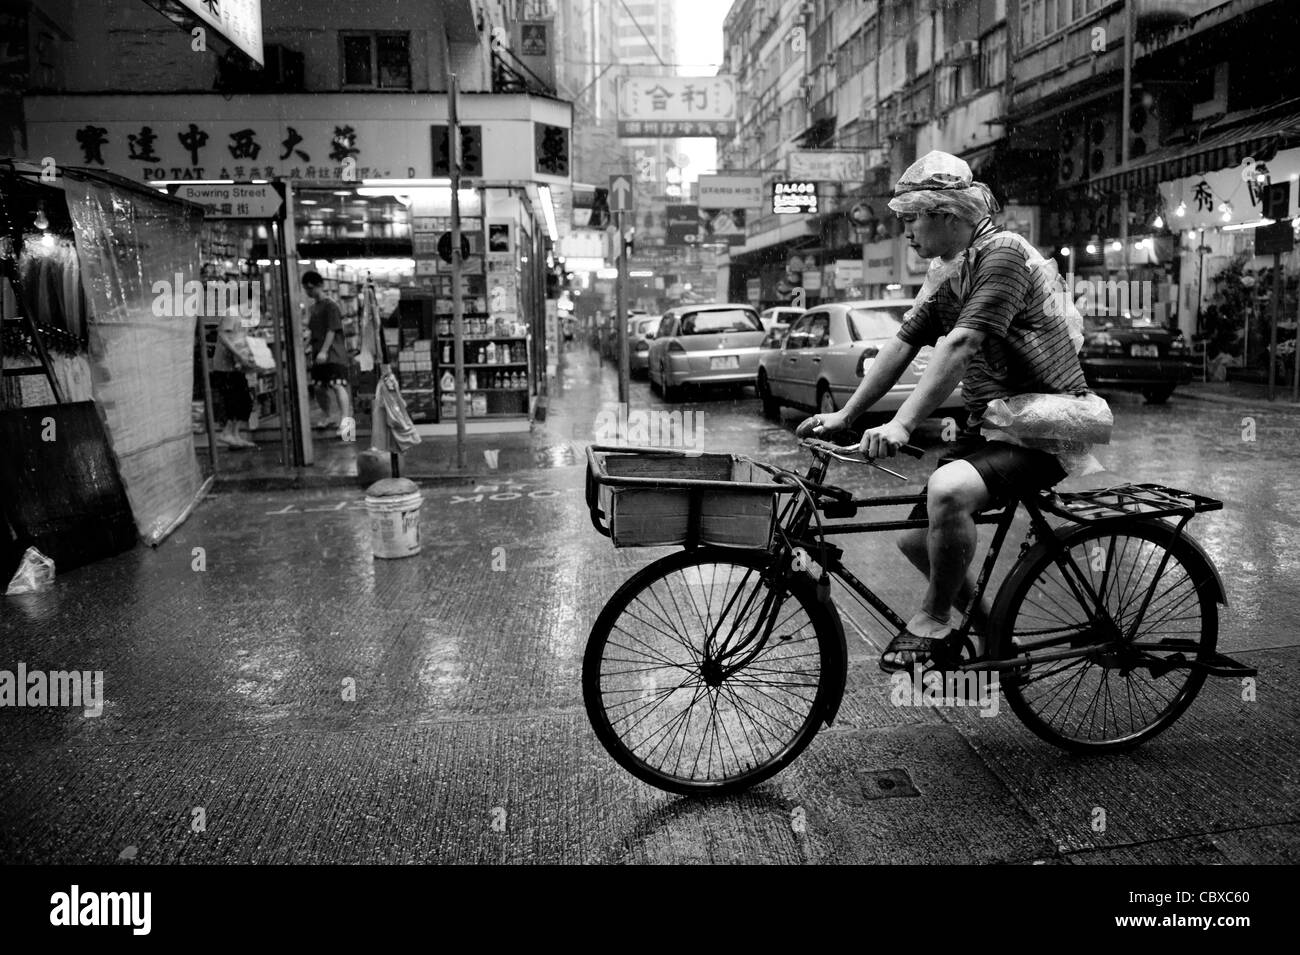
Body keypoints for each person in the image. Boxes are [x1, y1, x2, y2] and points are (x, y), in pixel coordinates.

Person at [796, 150, 1090, 673]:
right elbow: (903, 343)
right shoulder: (949, 270)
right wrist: (847, 416)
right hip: (995, 426)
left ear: (947, 216)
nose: (905, 231)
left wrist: (902, 422)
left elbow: (962, 345)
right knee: (916, 540)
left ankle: (933, 621)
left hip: (1048, 423)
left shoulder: (1003, 255)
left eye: (912, 219)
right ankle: (997, 636)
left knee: (947, 492)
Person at [301, 270, 355, 442]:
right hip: (319, 354)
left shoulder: (331, 305)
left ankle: (346, 426)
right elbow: (313, 331)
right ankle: (329, 416)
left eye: (310, 288)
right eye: (306, 289)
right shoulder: (313, 308)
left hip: (333, 354)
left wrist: (324, 350)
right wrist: (306, 346)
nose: (308, 292)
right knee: (318, 387)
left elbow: (332, 329)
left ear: (319, 286)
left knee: (338, 386)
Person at [210, 305, 257, 449]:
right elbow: (223, 336)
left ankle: (235, 435)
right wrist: (238, 354)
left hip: (236, 365)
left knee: (244, 400)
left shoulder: (245, 316)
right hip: (225, 366)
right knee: (234, 400)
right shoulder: (232, 313)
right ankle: (226, 433)